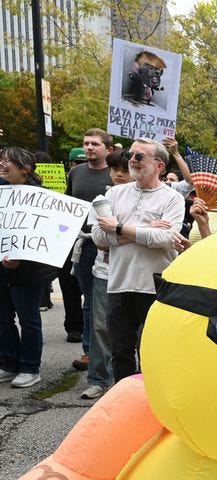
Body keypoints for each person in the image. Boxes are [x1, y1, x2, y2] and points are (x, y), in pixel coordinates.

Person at [90, 138, 186, 383]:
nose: (132, 159)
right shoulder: (113, 193)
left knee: (154, 351)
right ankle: (123, 403)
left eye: (140, 156)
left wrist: (119, 228)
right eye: (131, 154)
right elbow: (99, 237)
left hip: (156, 285)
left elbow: (166, 238)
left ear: (159, 166)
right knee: (120, 351)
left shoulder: (172, 198)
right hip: (119, 284)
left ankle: (153, 404)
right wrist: (144, 230)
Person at [78, 149, 132, 400]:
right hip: (104, 272)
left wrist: (118, 231)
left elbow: (157, 239)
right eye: (115, 170)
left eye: (125, 170)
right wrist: (135, 233)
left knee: (138, 330)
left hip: (135, 274)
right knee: (100, 327)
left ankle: (136, 381)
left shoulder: (147, 200)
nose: (119, 175)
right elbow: (100, 242)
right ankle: (99, 379)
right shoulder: (101, 201)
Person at [0, 147, 54, 388]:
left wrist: (22, 257)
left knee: (28, 318)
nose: (2, 164)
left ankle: (30, 367)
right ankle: (9, 363)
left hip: (29, 271)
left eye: (8, 161)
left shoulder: (41, 197)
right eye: (1, 160)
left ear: (25, 168)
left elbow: (47, 237)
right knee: (2, 318)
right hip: (2, 267)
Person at [66, 128, 113, 374]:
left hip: (111, 245)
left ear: (108, 149)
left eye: (95, 144)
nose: (89, 148)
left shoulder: (116, 174)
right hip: (84, 246)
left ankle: (111, 351)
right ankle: (89, 350)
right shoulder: (75, 173)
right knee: (88, 301)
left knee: (108, 301)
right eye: (86, 144)